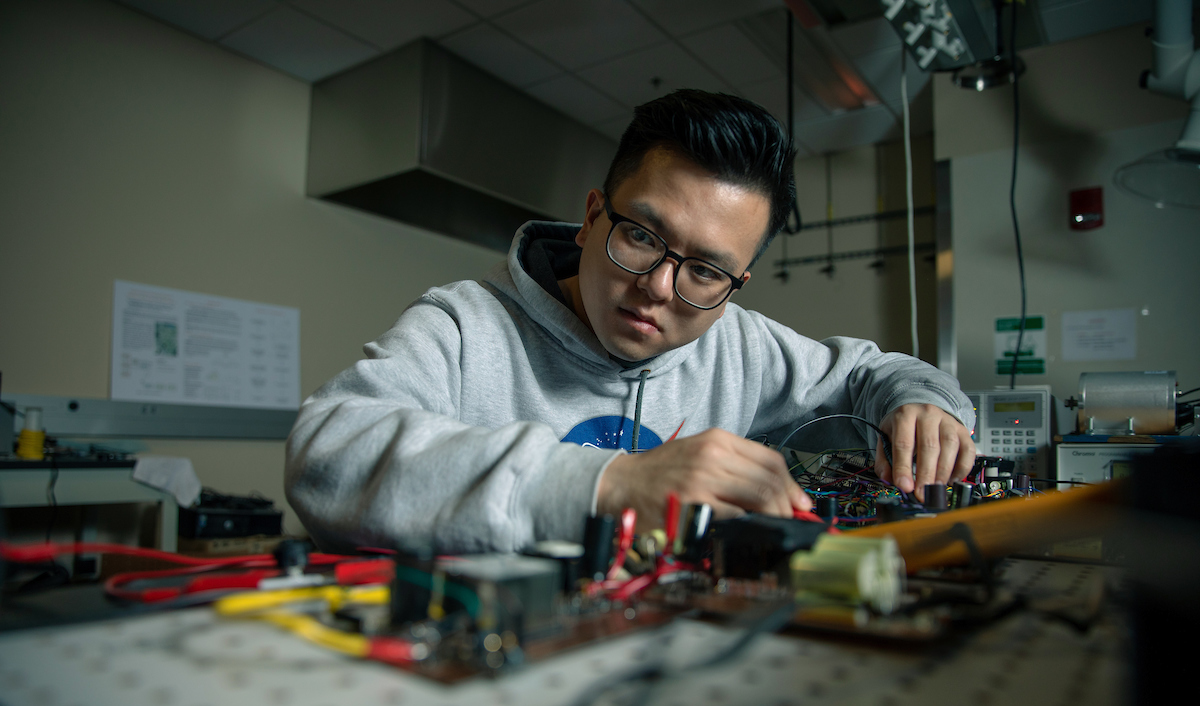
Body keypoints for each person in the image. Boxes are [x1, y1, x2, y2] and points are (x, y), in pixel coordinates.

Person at [285, 90, 976, 554]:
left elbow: (874, 372)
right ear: (591, 218)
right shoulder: (467, 326)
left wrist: (922, 402)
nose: (658, 288)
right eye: (642, 237)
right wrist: (606, 485)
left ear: (736, 284)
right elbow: (328, 450)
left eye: (706, 271)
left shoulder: (742, 345)